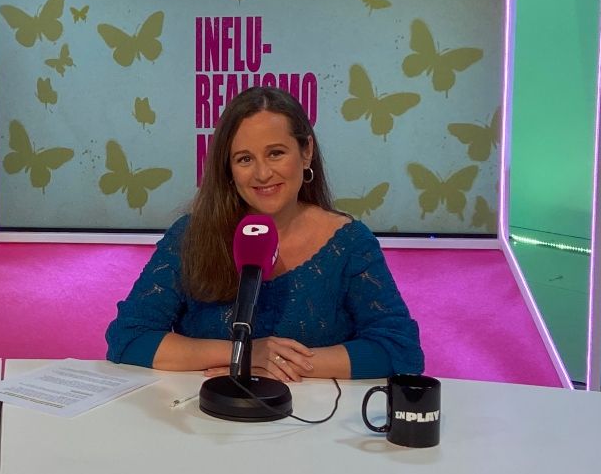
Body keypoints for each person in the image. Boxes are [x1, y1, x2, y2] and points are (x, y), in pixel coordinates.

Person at [105, 85, 422, 381]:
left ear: (306, 151)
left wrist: (280, 362)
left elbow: (399, 350)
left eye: (276, 153)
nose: (262, 173)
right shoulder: (190, 236)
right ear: (229, 169)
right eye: (245, 159)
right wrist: (243, 354)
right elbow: (129, 338)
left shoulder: (350, 243)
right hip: (207, 413)